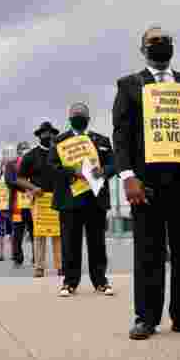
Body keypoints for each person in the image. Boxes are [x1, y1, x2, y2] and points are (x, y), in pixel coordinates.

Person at [114, 26, 180, 338]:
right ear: (142, 48)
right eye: (153, 41)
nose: (160, 45)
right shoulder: (130, 85)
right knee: (149, 251)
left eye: (165, 40)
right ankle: (146, 317)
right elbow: (121, 136)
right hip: (147, 184)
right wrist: (128, 176)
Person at [49, 103, 117, 297]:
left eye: (82, 114)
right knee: (70, 242)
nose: (78, 117)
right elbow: (52, 167)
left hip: (95, 199)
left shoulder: (101, 140)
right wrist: (73, 172)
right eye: (75, 114)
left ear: (88, 118)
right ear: (69, 118)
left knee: (97, 242)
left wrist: (104, 171)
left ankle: (101, 281)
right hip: (70, 200)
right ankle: (69, 282)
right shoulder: (59, 140)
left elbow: (114, 163)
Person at [19, 122, 62, 279]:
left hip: (58, 197)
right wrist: (32, 188)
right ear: (39, 136)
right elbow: (20, 179)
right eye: (45, 133)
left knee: (58, 234)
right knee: (39, 234)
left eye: (51, 133)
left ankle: (60, 267)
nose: (48, 136)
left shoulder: (59, 153)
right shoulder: (30, 156)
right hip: (39, 199)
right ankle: (39, 268)